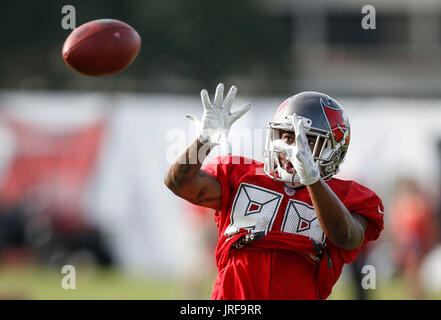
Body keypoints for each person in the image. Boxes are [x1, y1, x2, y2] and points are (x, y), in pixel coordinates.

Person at [164, 83, 384, 299]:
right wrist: (203, 141)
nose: (294, 148)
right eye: (289, 137)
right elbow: (178, 184)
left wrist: (312, 180)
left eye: (309, 141)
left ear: (333, 151)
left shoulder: (346, 197)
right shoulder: (242, 175)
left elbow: (347, 237)